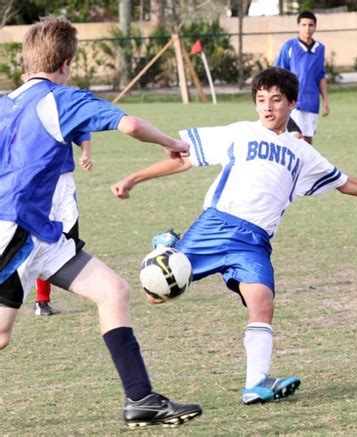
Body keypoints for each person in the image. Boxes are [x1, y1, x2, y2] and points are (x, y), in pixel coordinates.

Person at [111, 67, 357, 406]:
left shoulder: (302, 152)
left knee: (263, 303)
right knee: (157, 296)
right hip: (216, 226)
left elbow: (345, 183)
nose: (268, 107)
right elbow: (184, 159)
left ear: (292, 104)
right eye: (261, 100)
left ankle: (255, 384)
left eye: (275, 100)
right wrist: (133, 178)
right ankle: (166, 249)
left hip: (254, 242)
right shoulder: (241, 132)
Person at [0, 16, 202, 428]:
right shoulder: (63, 98)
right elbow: (129, 124)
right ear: (67, 63)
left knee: (114, 291)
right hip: (14, 230)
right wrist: (173, 143)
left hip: (47, 236)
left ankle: (141, 399)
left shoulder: (5, 102)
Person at [34, 135, 92, 316]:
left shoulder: (63, 109)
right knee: (42, 241)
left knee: (68, 239)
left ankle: (89, 287)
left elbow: (82, 131)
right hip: (38, 179)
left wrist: (85, 153)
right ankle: (41, 300)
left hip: (65, 180)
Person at [275, 11, 329, 144]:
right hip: (293, 101)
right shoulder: (289, 47)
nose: (307, 28)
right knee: (295, 136)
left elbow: (320, 76)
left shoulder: (320, 49)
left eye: (311, 25)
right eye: (304, 24)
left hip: (311, 101)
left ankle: (305, 165)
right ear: (298, 26)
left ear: (315, 27)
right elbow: (279, 73)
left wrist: (325, 101)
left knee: (307, 140)